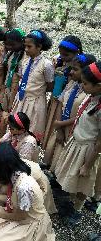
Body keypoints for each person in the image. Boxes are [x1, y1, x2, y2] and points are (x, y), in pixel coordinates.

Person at [0, 143, 55, 241]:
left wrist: (4, 214)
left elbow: (21, 215)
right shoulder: (15, 173)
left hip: (29, 221)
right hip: (20, 212)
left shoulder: (24, 186)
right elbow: (13, 199)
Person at [55, 61, 101, 213]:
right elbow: (80, 118)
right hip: (77, 142)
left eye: (86, 83)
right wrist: (62, 125)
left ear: (99, 85)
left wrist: (88, 165)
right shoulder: (91, 98)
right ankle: (69, 198)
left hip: (89, 149)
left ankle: (76, 209)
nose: (82, 85)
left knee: (83, 180)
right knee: (73, 175)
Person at [44, 53, 96, 171]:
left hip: (73, 128)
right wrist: (58, 126)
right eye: (72, 68)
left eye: (75, 69)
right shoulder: (71, 84)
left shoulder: (89, 92)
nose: (71, 72)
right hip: (62, 125)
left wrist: (61, 125)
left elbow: (83, 114)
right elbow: (61, 103)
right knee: (56, 149)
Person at [12, 30, 54, 141]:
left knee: (31, 130)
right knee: (16, 128)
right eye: (25, 46)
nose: (26, 49)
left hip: (35, 102)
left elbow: (50, 85)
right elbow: (22, 78)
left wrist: (37, 91)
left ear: (39, 47)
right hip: (21, 99)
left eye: (29, 46)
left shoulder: (46, 65)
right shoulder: (25, 62)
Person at [43, 36, 83, 149]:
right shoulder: (58, 61)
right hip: (55, 101)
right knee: (50, 127)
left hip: (67, 104)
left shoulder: (79, 68)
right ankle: (47, 153)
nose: (63, 57)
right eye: (61, 54)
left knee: (61, 132)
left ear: (77, 53)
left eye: (66, 55)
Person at [2, 28, 26, 111]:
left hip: (17, 89)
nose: (9, 47)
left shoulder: (25, 57)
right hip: (7, 86)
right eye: (8, 44)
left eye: (13, 45)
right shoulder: (11, 54)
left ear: (22, 42)